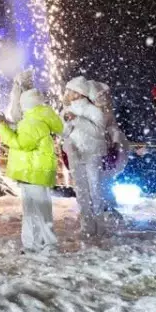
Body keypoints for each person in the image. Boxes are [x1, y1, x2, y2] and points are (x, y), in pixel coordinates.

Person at [0, 89, 63, 252]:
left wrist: (1, 128)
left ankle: (47, 245)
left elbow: (21, 143)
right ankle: (33, 244)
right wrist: (6, 124)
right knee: (33, 211)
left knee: (38, 210)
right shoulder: (35, 120)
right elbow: (22, 133)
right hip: (32, 172)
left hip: (33, 172)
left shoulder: (32, 123)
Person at [62, 76, 109, 238]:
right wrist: (67, 124)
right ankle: (86, 226)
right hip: (76, 154)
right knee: (81, 191)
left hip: (92, 154)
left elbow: (98, 132)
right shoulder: (66, 111)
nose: (66, 93)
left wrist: (78, 120)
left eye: (70, 91)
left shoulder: (93, 110)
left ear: (78, 93)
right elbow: (63, 133)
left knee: (95, 188)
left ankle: (100, 226)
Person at [88, 80, 129, 226]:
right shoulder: (86, 111)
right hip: (93, 149)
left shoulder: (106, 111)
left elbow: (112, 127)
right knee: (95, 180)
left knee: (104, 179)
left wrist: (115, 142)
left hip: (106, 149)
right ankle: (97, 210)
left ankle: (106, 207)